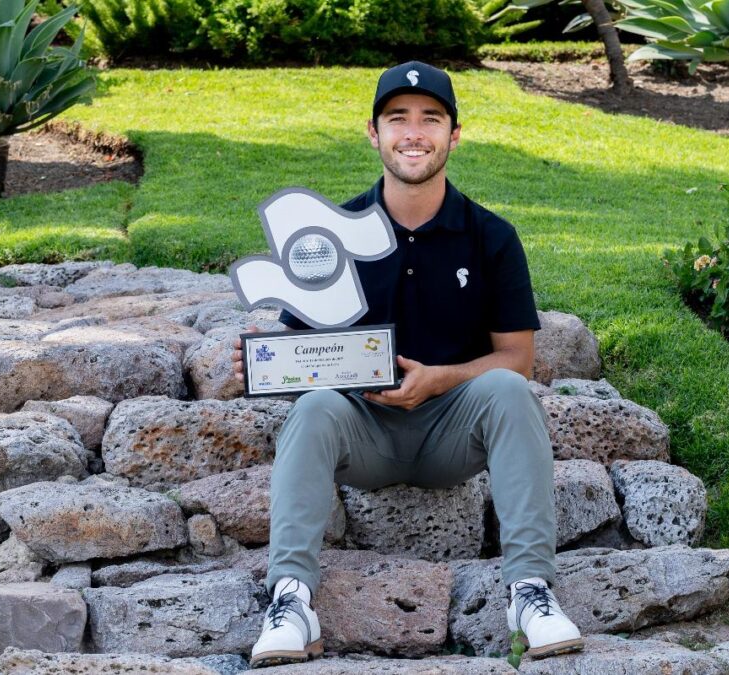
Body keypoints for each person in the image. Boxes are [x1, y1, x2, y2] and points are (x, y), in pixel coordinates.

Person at [231, 61, 584, 668]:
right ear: (373, 133)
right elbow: (298, 356)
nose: (413, 133)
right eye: (398, 119)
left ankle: (530, 592)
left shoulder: (491, 236)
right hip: (363, 434)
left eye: (430, 119)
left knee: (508, 390)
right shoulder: (331, 235)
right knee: (315, 406)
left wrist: (439, 380)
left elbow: (519, 359)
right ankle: (291, 599)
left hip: (454, 430)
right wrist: (268, 365)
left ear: (454, 134)